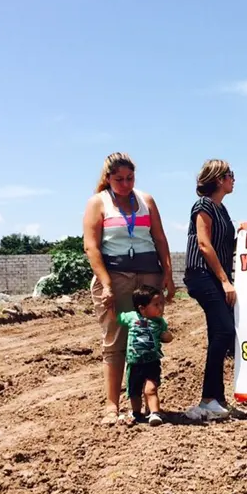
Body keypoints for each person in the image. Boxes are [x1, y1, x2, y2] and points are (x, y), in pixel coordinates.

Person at [83, 152, 175, 426]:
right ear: (108, 179)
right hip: (116, 276)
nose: (125, 184)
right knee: (116, 340)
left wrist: (167, 274)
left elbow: (159, 238)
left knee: (147, 338)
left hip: (149, 276)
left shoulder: (146, 201)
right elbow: (91, 246)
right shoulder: (97, 203)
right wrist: (106, 283)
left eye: (130, 178)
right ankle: (112, 405)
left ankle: (148, 404)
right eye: (119, 179)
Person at [183, 159, 247, 422]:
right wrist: (225, 281)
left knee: (218, 333)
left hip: (214, 276)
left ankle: (216, 400)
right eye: (230, 175)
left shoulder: (222, 209)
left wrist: (246, 236)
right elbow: (204, 244)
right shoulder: (204, 206)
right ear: (219, 179)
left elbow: (226, 245)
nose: (234, 179)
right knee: (224, 330)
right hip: (202, 275)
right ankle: (209, 399)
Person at [118, 285, 173, 426]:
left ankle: (154, 413)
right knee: (134, 391)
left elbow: (165, 337)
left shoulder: (160, 322)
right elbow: (118, 317)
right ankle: (136, 412)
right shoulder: (131, 317)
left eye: (161, 303)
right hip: (134, 363)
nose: (160, 307)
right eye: (156, 304)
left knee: (151, 389)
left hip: (152, 362)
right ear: (142, 308)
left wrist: (167, 336)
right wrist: (110, 306)